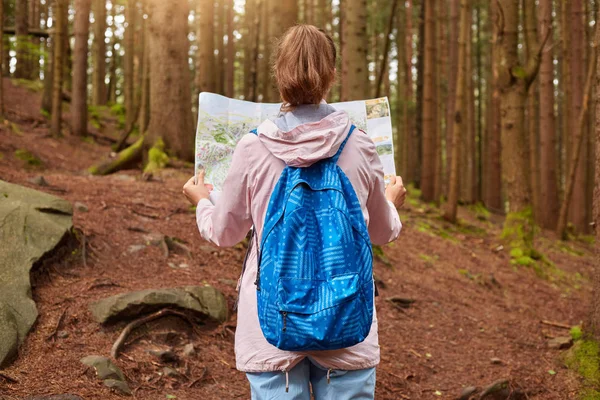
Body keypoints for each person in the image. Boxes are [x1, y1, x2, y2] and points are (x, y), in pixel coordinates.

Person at [183, 24, 405, 400]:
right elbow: (381, 233)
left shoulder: (251, 147)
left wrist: (202, 200)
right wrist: (391, 203)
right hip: (347, 315)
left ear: (279, 76)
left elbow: (225, 233)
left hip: (272, 321)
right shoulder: (361, 144)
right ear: (332, 75)